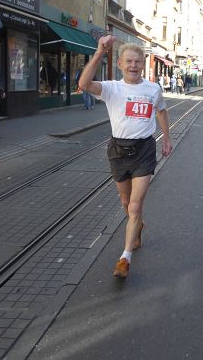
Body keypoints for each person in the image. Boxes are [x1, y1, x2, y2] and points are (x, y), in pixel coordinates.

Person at [79, 36, 173, 279]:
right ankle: (138, 226)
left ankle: (125, 257)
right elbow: (84, 83)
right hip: (118, 151)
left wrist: (167, 138)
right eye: (128, 61)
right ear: (120, 64)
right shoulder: (112, 88)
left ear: (143, 64)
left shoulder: (153, 89)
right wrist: (100, 51)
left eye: (137, 62)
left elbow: (161, 111)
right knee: (125, 202)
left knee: (135, 204)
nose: (133, 65)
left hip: (143, 150)